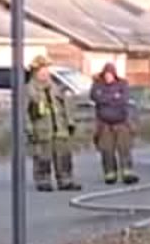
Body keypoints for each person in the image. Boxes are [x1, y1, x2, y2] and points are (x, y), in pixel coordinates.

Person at [24, 55, 80, 192]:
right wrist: (29, 128)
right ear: (35, 72)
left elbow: (66, 105)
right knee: (43, 158)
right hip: (42, 129)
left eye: (46, 70)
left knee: (64, 156)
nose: (45, 73)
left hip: (60, 128)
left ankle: (65, 180)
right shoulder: (29, 89)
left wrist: (70, 122)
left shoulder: (55, 87)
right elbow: (23, 112)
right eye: (42, 70)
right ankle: (43, 181)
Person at [90, 62, 139, 185]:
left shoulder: (122, 84)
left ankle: (127, 172)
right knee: (107, 149)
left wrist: (108, 99)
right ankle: (110, 174)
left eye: (110, 74)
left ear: (114, 74)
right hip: (104, 124)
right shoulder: (97, 85)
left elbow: (124, 99)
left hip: (121, 122)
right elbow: (95, 97)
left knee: (124, 148)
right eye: (106, 74)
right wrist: (113, 97)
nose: (108, 77)